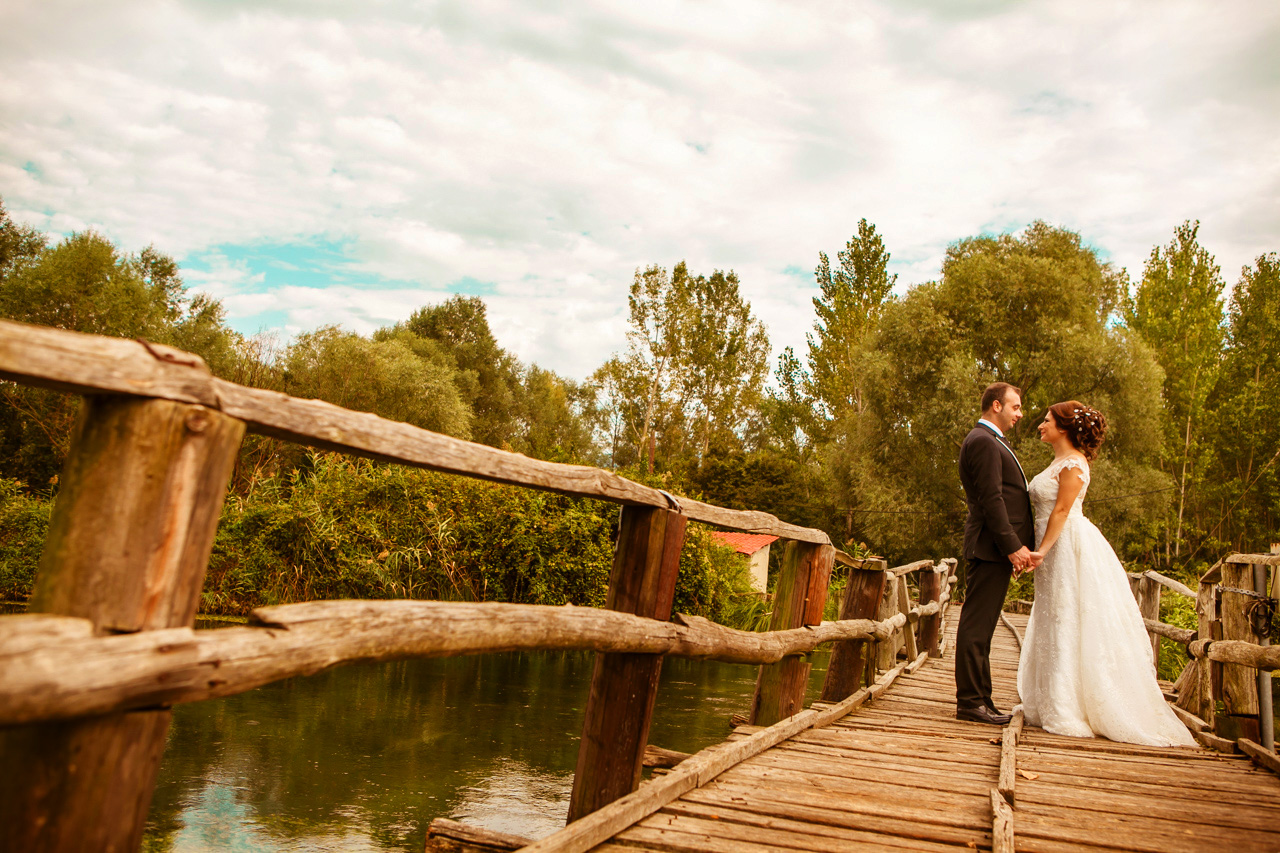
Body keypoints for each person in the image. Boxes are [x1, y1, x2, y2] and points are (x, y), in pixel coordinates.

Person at [1016, 401, 1195, 746]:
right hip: (1051, 548)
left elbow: (1063, 511)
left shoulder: (1073, 464)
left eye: (1047, 420)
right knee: (1054, 616)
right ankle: (1050, 699)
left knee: (1070, 615)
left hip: (1066, 545)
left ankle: (1070, 705)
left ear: (1064, 427)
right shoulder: (1056, 462)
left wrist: (1042, 551)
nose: (1041, 425)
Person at [955, 382, 1038, 725]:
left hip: (994, 550)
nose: (1020, 414)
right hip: (990, 548)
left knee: (984, 627)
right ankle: (971, 703)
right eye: (1015, 407)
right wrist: (1013, 548)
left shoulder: (991, 441)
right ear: (995, 405)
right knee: (976, 626)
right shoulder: (984, 442)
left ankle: (982, 699)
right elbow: (992, 500)